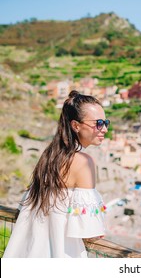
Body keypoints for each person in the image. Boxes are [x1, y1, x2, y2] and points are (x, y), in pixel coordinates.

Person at [3, 90, 110, 258]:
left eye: (106, 122)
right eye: (98, 123)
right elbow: (88, 229)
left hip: (29, 249)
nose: (104, 129)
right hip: (61, 251)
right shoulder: (83, 162)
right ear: (76, 125)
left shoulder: (49, 157)